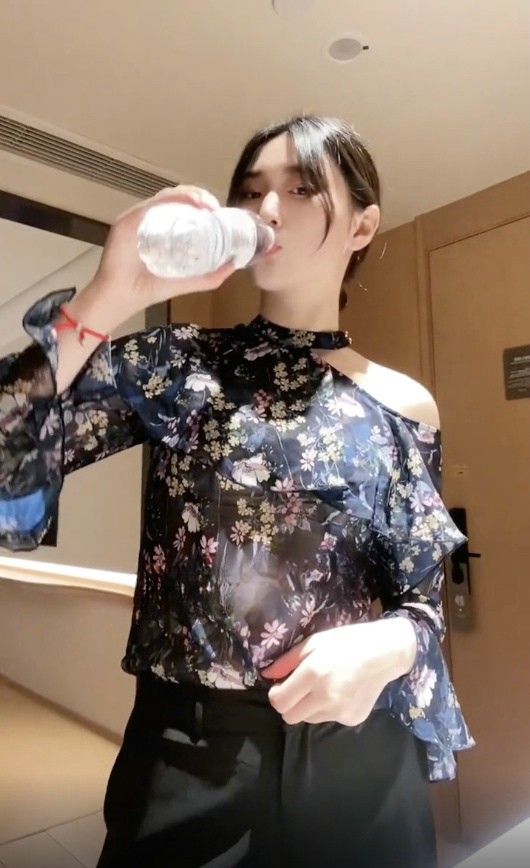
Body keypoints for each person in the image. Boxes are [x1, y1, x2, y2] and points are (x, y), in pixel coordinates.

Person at [0, 115, 474, 867]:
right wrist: (107, 294)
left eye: (302, 189)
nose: (268, 210)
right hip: (191, 760)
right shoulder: (179, 365)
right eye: (251, 192)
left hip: (364, 764)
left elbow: (422, 605)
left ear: (362, 226)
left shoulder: (405, 406)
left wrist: (389, 644)